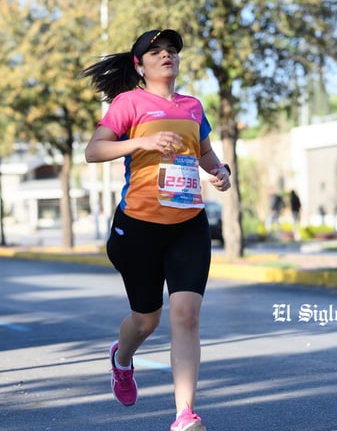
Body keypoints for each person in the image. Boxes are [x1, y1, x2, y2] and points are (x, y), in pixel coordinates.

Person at [82, 28, 231, 431]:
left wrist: (220, 172)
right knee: (146, 320)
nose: (166, 56)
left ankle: (185, 414)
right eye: (156, 52)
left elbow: (205, 153)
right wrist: (140, 144)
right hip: (140, 225)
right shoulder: (128, 103)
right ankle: (122, 358)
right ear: (139, 65)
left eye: (171, 51)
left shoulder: (193, 106)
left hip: (188, 223)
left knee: (186, 314)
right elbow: (93, 151)